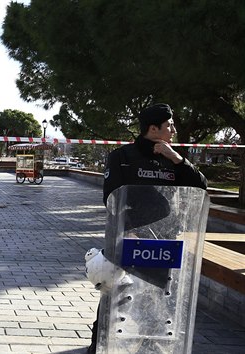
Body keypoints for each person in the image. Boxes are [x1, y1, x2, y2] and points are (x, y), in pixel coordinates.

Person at [87, 103, 207, 353]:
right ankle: (99, 344)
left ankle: (150, 344)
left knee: (156, 300)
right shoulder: (123, 157)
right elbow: (111, 198)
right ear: (153, 128)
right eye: (169, 124)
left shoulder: (174, 159)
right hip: (128, 239)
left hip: (163, 243)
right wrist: (128, 227)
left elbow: (200, 188)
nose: (173, 128)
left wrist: (177, 159)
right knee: (115, 295)